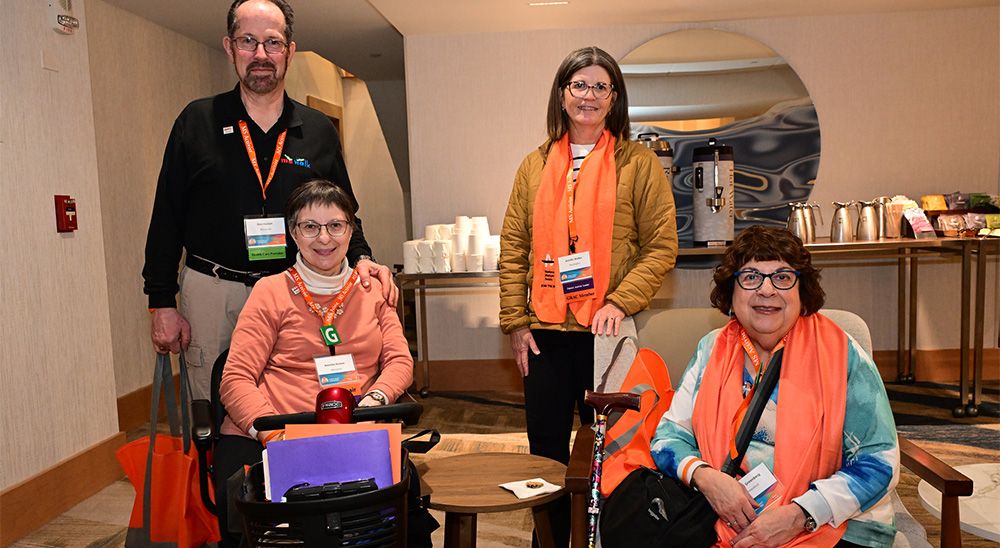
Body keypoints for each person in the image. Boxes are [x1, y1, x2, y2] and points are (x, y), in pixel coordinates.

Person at [142, 0, 395, 401]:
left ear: (289, 51)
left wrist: (362, 258)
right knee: (215, 405)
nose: (261, 54)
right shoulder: (197, 121)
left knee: (295, 400)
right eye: (248, 41)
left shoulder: (317, 130)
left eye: (273, 42)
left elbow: (344, 212)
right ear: (230, 47)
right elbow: (166, 215)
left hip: (293, 293)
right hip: (214, 291)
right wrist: (162, 301)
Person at [499, 46, 678, 544]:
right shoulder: (534, 166)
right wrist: (516, 322)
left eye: (601, 86)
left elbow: (662, 245)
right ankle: (552, 540)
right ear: (562, 94)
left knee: (611, 450)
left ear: (614, 98)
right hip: (545, 332)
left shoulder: (638, 163)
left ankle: (607, 538)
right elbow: (513, 248)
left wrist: (620, 301)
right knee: (546, 455)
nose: (589, 96)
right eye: (580, 85)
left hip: (607, 331)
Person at [650, 226, 899, 547]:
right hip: (722, 517)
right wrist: (708, 479)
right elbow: (668, 438)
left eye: (782, 277)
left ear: (802, 291)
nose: (766, 290)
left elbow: (880, 460)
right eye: (751, 277)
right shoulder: (711, 350)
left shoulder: (842, 355)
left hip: (832, 523)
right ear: (731, 291)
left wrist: (801, 514)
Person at [214, 179, 413, 545]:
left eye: (335, 225)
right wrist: (279, 439)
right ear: (293, 233)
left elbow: (400, 360)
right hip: (276, 431)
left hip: (356, 428)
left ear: (350, 231)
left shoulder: (373, 289)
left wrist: (376, 399)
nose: (324, 238)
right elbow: (235, 379)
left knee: (403, 517)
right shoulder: (270, 292)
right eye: (310, 227)